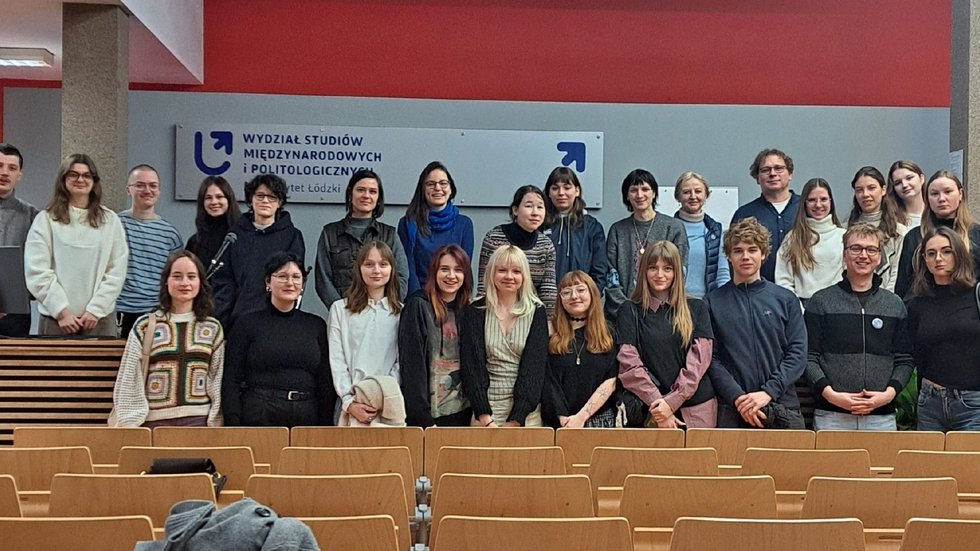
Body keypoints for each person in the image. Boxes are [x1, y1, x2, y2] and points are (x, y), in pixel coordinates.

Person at [804, 223, 914, 431]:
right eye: (856, 248)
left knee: (881, 465)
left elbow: (905, 359)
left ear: (879, 257)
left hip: (881, 416)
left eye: (871, 249)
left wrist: (888, 394)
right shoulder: (821, 302)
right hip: (831, 415)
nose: (863, 255)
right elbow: (809, 357)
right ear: (844, 255)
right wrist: (830, 394)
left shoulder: (894, 304)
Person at [705, 218, 806, 429]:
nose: (745, 257)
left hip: (782, 406)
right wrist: (740, 399)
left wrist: (769, 392)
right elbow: (711, 360)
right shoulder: (712, 301)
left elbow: (797, 353)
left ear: (763, 254)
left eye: (752, 250)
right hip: (733, 409)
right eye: (738, 250)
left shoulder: (786, 299)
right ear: (729, 257)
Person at [111, 251, 225, 427]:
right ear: (166, 281)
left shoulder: (212, 328)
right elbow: (129, 377)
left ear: (200, 282)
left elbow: (216, 379)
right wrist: (129, 424)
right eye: (177, 276)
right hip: (153, 422)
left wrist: (215, 422)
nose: (184, 283)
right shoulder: (146, 325)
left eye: (191, 276)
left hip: (198, 422)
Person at [223, 252, 334, 427]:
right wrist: (232, 422)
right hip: (259, 413)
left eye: (296, 277)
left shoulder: (316, 325)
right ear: (268, 282)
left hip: (306, 415)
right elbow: (231, 378)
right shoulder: (246, 324)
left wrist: (325, 424)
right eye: (282, 276)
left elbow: (325, 382)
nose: (290, 283)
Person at [24, 153, 128, 337]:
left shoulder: (110, 220)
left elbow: (116, 270)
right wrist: (62, 311)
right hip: (56, 320)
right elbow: (37, 270)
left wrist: (96, 309)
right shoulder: (46, 220)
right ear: (63, 179)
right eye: (73, 174)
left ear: (94, 181)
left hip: (99, 319)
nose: (80, 179)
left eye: (86, 175)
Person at [617, 241, 717, 428]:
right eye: (653, 268)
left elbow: (699, 361)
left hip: (696, 409)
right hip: (650, 409)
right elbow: (629, 365)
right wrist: (659, 405)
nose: (660, 275)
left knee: (699, 458)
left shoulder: (697, 308)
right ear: (643, 271)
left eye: (668, 268)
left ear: (677, 272)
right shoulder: (629, 310)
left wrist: (672, 402)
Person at [461, 245, 549, 427]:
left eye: (516, 271)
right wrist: (484, 416)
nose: (509, 276)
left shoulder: (537, 311)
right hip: (484, 411)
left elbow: (535, 369)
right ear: (492, 273)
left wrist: (517, 418)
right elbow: (472, 367)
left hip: (526, 413)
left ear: (524, 275)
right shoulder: (475, 311)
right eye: (502, 270)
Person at [906, 226, 980, 431]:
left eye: (946, 251)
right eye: (931, 253)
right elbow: (913, 353)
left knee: (969, 463)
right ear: (924, 260)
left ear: (959, 254)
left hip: (973, 403)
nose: (938, 258)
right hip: (930, 403)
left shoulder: (976, 295)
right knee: (928, 463)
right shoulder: (917, 303)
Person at [212, 174, 305, 332]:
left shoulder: (292, 236)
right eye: (260, 196)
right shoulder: (235, 235)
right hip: (238, 321)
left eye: (272, 197)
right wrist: (223, 321)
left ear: (280, 202)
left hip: (276, 322)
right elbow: (223, 281)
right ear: (251, 200)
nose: (265, 201)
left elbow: (294, 280)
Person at [328, 241, 403, 426]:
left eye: (383, 264)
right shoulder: (340, 309)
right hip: (350, 405)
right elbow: (337, 361)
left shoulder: (402, 312)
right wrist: (350, 402)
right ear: (359, 269)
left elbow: (401, 363)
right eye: (369, 264)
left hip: (388, 405)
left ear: (392, 269)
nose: (376, 270)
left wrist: (381, 396)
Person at [399, 244, 473, 427]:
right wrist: (421, 417)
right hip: (426, 416)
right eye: (444, 269)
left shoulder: (469, 310)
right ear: (434, 272)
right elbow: (412, 365)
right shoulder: (418, 305)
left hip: (463, 413)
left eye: (458, 270)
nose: (451, 276)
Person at [315, 169, 409, 310]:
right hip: (343, 316)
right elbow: (323, 280)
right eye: (360, 190)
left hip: (383, 315)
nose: (366, 196)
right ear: (350, 193)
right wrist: (342, 310)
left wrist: (385, 308)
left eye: (372, 191)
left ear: (378, 198)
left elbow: (401, 276)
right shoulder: (330, 233)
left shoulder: (389, 234)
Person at [605, 169, 688, 319]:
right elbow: (611, 277)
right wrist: (627, 310)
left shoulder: (674, 227)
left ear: (654, 193)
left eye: (645, 189)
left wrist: (658, 308)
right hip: (622, 315)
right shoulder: (617, 230)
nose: (639, 195)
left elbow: (680, 271)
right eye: (633, 190)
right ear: (627, 196)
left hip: (664, 314)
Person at [116, 164, 184, 338]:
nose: (147, 190)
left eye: (153, 185)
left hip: (158, 314)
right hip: (120, 314)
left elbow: (174, 278)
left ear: (159, 191)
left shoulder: (171, 234)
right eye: (140, 185)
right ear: (128, 190)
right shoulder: (114, 225)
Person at [544, 271, 617, 428]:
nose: (574, 296)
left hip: (599, 422)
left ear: (592, 293)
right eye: (566, 292)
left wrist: (581, 417)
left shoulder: (608, 332)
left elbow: (611, 380)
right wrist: (563, 418)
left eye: (580, 290)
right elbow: (547, 380)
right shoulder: (550, 333)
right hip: (558, 423)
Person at [895, 170, 980, 298]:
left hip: (968, 310)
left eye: (948, 191)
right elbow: (903, 287)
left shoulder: (976, 233)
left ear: (960, 194)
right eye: (934, 194)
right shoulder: (914, 236)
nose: (941, 199)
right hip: (925, 309)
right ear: (927, 198)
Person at [477, 185, 557, 312]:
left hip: (531, 312)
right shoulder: (494, 237)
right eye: (529, 206)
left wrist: (547, 321)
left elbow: (548, 290)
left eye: (540, 207)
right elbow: (484, 283)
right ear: (515, 210)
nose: (535, 212)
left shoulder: (546, 244)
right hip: (496, 310)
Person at [397, 161, 474, 294]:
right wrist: (419, 301)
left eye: (443, 183)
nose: (438, 188)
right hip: (419, 299)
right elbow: (407, 268)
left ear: (451, 189)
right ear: (422, 189)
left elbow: (463, 269)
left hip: (452, 300)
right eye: (431, 184)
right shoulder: (407, 224)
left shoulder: (464, 224)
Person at [731, 148, 800, 282]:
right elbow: (734, 255)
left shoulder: (806, 208)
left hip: (803, 293)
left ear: (790, 174)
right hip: (758, 294)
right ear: (757, 178)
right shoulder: (745, 214)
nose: (773, 174)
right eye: (765, 170)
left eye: (778, 168)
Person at [775, 178, 846, 304]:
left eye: (823, 199)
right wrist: (798, 310)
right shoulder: (793, 238)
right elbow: (783, 280)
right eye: (812, 200)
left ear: (831, 202)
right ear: (804, 203)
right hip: (804, 308)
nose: (818, 205)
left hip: (838, 307)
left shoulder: (844, 237)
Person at [542, 166, 607, 290]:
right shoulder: (540, 224)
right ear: (548, 193)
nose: (561, 193)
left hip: (581, 301)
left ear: (577, 191)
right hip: (545, 301)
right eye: (555, 188)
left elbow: (600, 270)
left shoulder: (591, 226)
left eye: (567, 187)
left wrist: (590, 297)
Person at [846, 166, 907, 292]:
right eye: (859, 190)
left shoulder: (899, 232)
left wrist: (886, 300)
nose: (865, 194)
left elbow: (897, 273)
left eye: (871, 188)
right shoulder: (845, 230)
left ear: (883, 190)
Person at [0, 142, 38, 337]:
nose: (5, 172)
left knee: (14, 366)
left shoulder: (33, 216)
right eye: (0, 166)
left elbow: (40, 265)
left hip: (15, 313)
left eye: (12, 168)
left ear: (19, 175)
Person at [672, 171, 729, 297]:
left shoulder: (715, 230)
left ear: (706, 195)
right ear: (678, 197)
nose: (693, 196)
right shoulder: (668, 229)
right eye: (686, 192)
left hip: (707, 305)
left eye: (698, 191)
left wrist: (724, 301)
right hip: (675, 303)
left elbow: (722, 272)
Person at [185, 175, 242, 270]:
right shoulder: (195, 242)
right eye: (208, 198)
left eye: (219, 196)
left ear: (229, 200)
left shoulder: (244, 236)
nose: (214, 202)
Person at [887, 160, 926, 228]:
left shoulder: (937, 212)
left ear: (921, 179)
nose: (904, 185)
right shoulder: (890, 219)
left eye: (909, 178)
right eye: (898, 183)